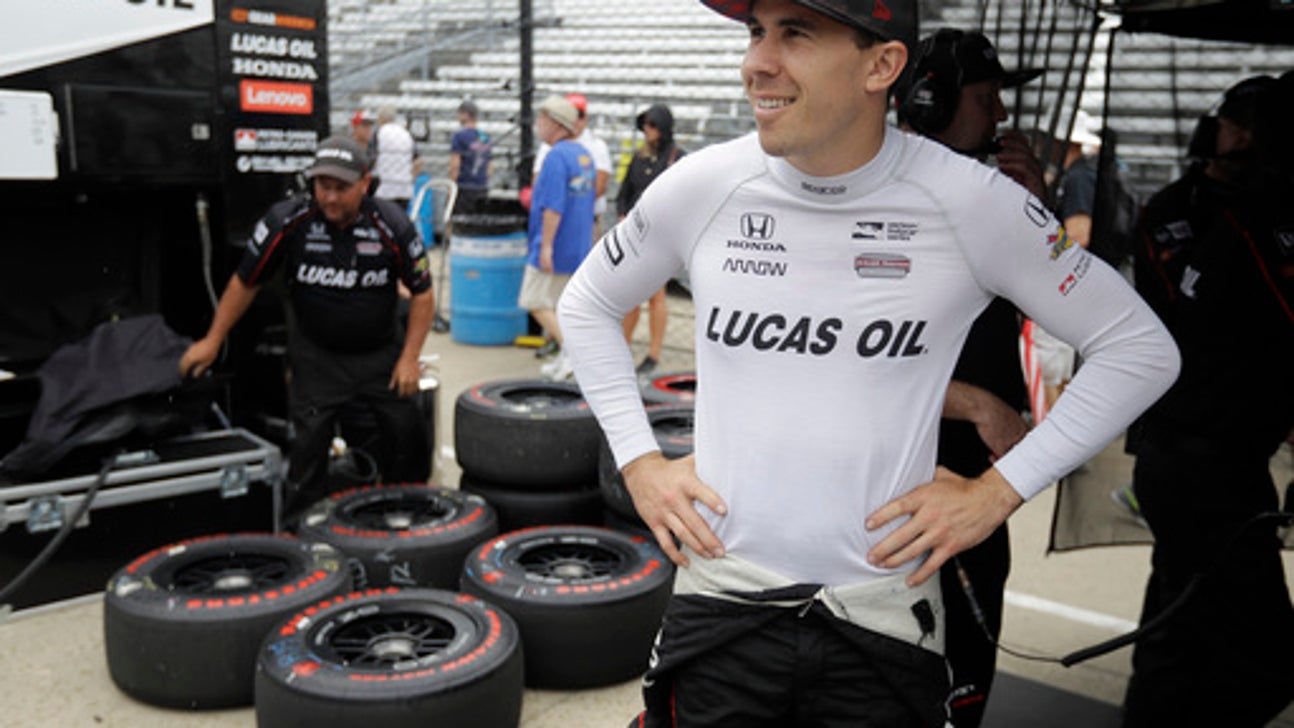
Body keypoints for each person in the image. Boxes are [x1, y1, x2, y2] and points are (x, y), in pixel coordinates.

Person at [557, 1, 1178, 725]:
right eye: (757, 31)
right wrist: (639, 462)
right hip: (721, 606)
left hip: (882, 621)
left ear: (882, 66)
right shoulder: (703, 185)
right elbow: (587, 305)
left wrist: (997, 493)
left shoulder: (969, 201)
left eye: (796, 34)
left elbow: (1141, 349)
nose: (757, 60)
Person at [1123, 74, 1294, 727]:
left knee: (1178, 637)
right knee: (1266, 657)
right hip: (1193, 460)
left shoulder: (1273, 208)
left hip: (1236, 459)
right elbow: (1183, 321)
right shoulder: (1183, 209)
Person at [891, 27, 1041, 728]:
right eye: (987, 98)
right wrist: (975, 403)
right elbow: (838, 354)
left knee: (969, 679)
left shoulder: (994, 197)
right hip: (909, 487)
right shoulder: (884, 203)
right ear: (927, 101)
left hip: (980, 489)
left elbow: (1077, 311)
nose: (1002, 116)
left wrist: (1038, 211)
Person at [178, 136, 434, 523]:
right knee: (306, 462)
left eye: (341, 188)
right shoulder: (288, 219)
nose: (329, 198)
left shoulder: (392, 223)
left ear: (366, 183)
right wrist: (213, 339)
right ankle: (304, 548)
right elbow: (245, 282)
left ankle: (410, 533)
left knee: (405, 448)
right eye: (322, 186)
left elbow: (423, 294)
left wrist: (410, 358)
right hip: (317, 360)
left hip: (381, 358)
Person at [520, 95, 596, 382]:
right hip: (577, 242)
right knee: (563, 305)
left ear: (555, 123)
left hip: (555, 242)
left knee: (535, 300)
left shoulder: (555, 157)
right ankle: (569, 357)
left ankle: (573, 352)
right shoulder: (584, 155)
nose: (538, 126)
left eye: (541, 119)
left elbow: (553, 205)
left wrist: (546, 245)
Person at [617, 104, 686, 376]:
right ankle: (623, 347)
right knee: (631, 295)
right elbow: (624, 191)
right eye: (645, 126)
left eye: (653, 125)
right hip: (634, 233)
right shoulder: (640, 156)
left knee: (656, 296)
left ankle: (654, 353)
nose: (648, 131)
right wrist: (622, 214)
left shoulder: (677, 157)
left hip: (661, 235)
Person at [449, 98, 491, 215]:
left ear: (465, 114)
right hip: (481, 185)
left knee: (457, 218)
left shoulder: (459, 136)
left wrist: (451, 186)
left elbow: (455, 165)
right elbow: (489, 167)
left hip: (464, 185)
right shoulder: (484, 137)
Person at [372, 105, 416, 209]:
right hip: (404, 189)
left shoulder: (379, 133)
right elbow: (418, 160)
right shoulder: (406, 134)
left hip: (385, 189)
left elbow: (372, 158)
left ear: (380, 118)